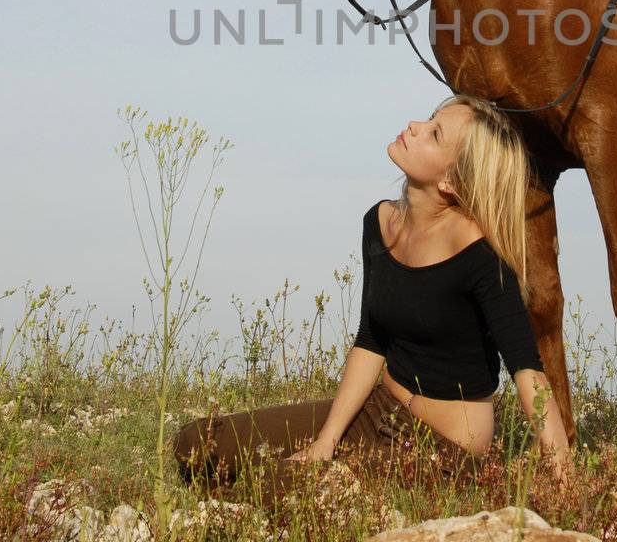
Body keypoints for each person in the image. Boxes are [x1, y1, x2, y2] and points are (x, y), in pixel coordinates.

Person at [173, 92, 572, 496]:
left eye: (433, 134)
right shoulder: (380, 223)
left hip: (442, 453)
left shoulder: (480, 256)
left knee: (272, 486)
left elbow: (528, 370)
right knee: (198, 442)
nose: (415, 126)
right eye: (430, 119)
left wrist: (565, 482)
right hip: (377, 412)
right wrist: (325, 442)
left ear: (450, 180)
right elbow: (371, 339)